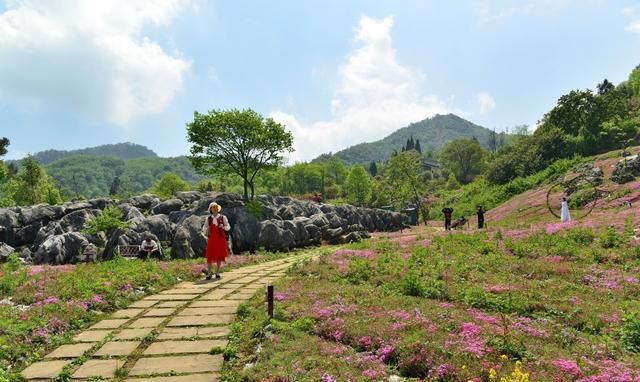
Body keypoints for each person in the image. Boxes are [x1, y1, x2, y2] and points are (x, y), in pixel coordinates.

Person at [202, 202, 230, 280]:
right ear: (211, 209)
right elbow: (204, 228)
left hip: (220, 239)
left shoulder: (223, 217)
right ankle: (209, 273)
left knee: (219, 256)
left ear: (218, 209)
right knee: (209, 256)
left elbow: (228, 227)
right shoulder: (208, 218)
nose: (215, 209)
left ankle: (217, 272)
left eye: (216, 207)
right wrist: (206, 230)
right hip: (212, 239)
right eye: (213, 208)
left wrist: (223, 226)